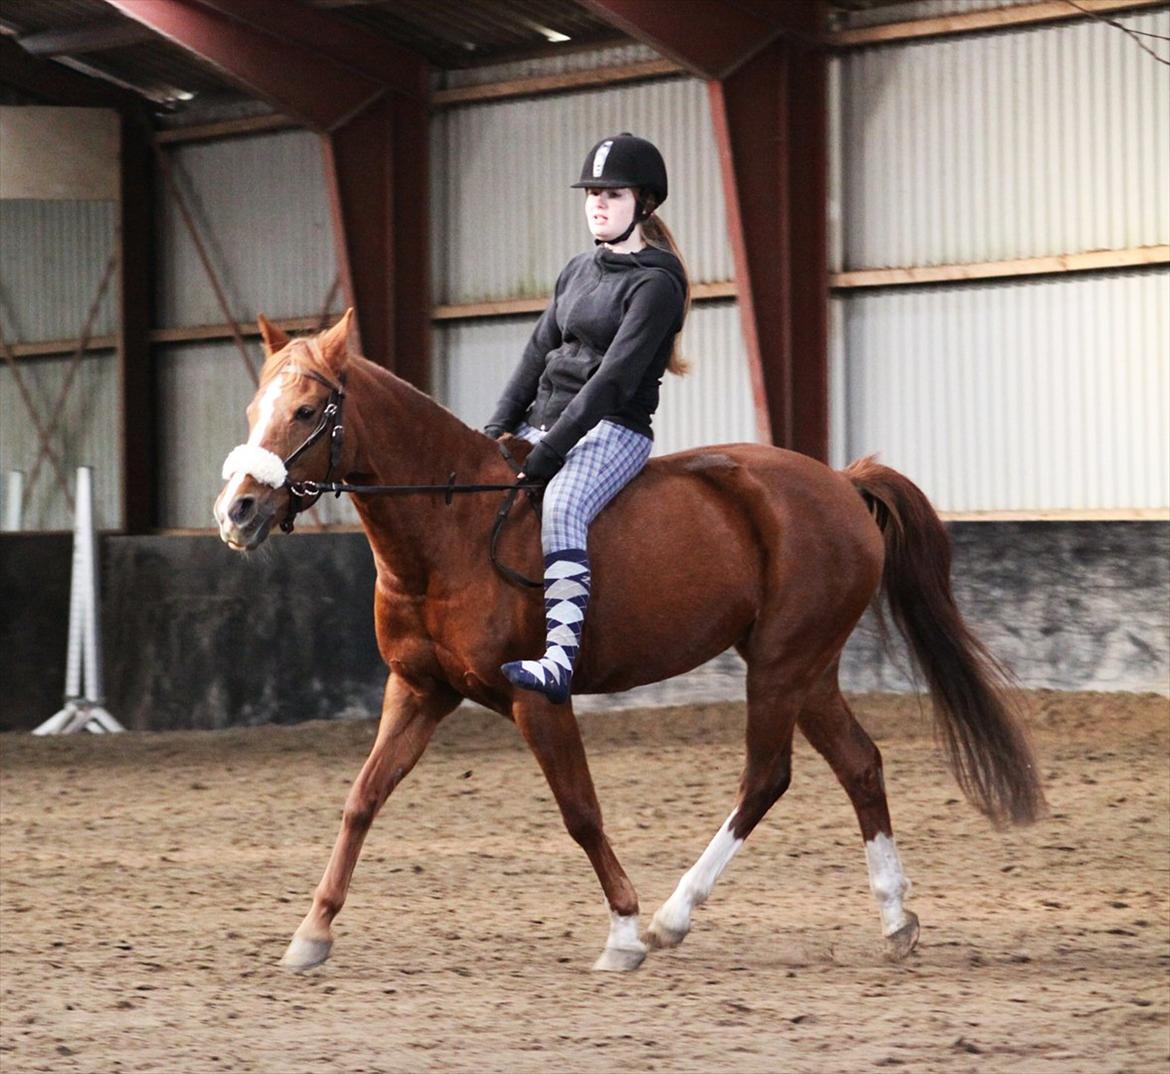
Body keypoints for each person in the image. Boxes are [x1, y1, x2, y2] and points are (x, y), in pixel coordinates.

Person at [484, 132, 691, 704]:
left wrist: (550, 449)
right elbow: (535, 355)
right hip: (546, 420)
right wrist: (495, 429)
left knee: (562, 505)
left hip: (613, 429)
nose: (597, 203)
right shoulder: (577, 269)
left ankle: (559, 659)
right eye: (591, 193)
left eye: (613, 194)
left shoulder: (657, 282)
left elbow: (613, 380)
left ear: (644, 204)